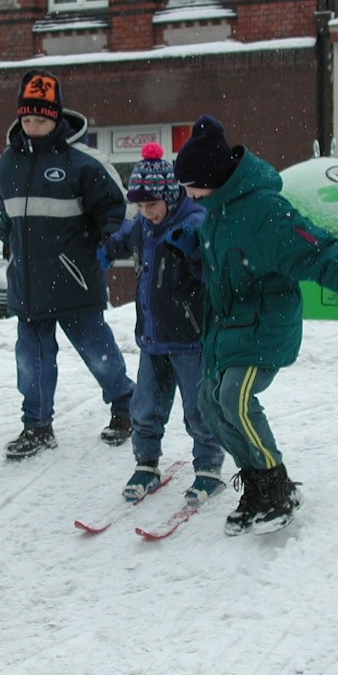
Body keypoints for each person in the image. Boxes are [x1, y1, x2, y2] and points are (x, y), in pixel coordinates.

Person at [173, 114, 338, 535]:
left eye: (191, 186)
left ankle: (278, 485)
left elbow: (321, 252)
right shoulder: (214, 212)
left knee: (235, 398)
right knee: (209, 404)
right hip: (227, 331)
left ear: (214, 177)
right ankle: (256, 484)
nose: (189, 195)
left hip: (264, 328)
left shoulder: (265, 211)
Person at [0, 70, 135, 460]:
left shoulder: (82, 162)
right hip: (28, 286)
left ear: (56, 117)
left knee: (96, 351)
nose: (32, 127)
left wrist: (110, 239)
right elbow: (9, 214)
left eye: (40, 119)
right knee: (31, 360)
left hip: (74, 279)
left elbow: (115, 207)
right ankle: (36, 425)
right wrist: (4, 234)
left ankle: (126, 407)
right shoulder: (7, 165)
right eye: (26, 120)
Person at [98, 143, 227, 504]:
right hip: (153, 337)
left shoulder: (196, 223)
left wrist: (194, 250)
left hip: (190, 338)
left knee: (198, 407)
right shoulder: (143, 224)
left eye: (151, 205)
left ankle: (209, 467)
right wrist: (107, 250)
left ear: (170, 196)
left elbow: (212, 270)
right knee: (145, 406)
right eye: (140, 206)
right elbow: (126, 237)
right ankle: (146, 463)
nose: (146, 212)